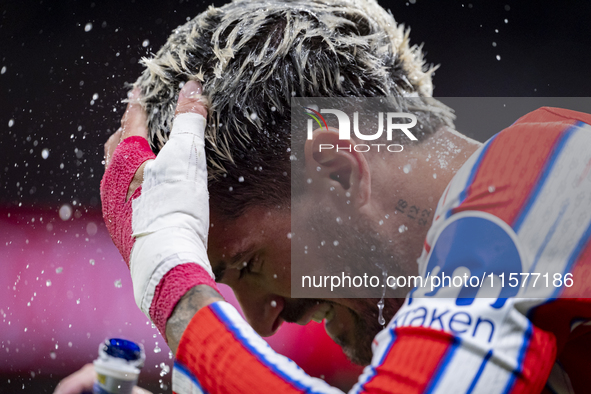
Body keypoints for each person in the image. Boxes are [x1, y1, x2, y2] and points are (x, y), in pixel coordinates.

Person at [57, 0, 591, 393]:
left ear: (336, 172)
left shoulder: (549, 173)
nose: (261, 322)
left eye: (245, 264)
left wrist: (172, 283)